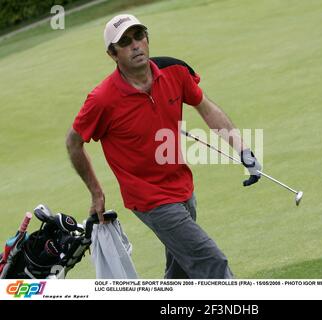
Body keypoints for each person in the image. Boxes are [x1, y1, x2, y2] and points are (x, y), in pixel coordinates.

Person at [66, 14, 262, 279]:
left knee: (180, 271)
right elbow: (73, 143)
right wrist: (96, 192)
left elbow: (205, 108)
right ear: (113, 54)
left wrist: (242, 149)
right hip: (149, 198)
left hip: (182, 187)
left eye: (139, 36)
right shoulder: (102, 99)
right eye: (125, 42)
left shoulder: (175, 71)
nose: (135, 45)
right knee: (211, 261)